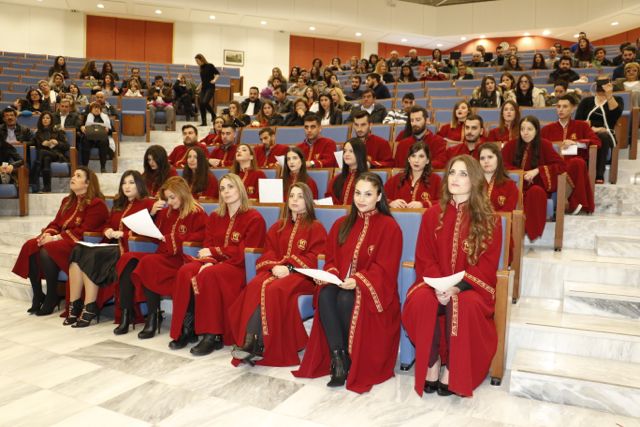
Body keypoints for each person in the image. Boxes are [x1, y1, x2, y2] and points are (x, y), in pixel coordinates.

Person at [402, 154, 503, 397]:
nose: (455, 178)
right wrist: (439, 285)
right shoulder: (431, 214)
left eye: (463, 174)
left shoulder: (490, 220)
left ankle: (453, 368)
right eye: (451, 172)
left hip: (471, 288)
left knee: (462, 304)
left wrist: (457, 286)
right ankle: (432, 362)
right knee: (419, 301)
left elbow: (487, 265)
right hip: (433, 282)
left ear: (474, 180)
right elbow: (425, 257)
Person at [293, 172, 402, 393]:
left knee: (344, 298)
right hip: (341, 283)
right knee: (325, 294)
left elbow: (385, 268)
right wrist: (329, 275)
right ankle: (339, 358)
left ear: (379, 196)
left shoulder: (389, 227)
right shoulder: (341, 224)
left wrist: (358, 280)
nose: (361, 199)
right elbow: (331, 259)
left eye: (368, 194)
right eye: (358, 193)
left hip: (374, 291)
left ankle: (351, 357)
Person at [228, 182, 328, 365]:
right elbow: (269, 251)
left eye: (300, 196)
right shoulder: (278, 226)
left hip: (303, 276)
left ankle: (259, 344)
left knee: (274, 290)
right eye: (292, 196)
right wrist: (275, 266)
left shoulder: (316, 227)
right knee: (256, 285)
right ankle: (252, 342)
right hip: (275, 271)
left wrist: (289, 268)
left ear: (308, 200)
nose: (295, 200)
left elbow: (316, 256)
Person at [167, 173, 266, 353]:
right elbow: (208, 244)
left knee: (209, 274)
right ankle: (187, 327)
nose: (226, 191)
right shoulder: (215, 216)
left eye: (230, 187)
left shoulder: (254, 218)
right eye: (222, 188)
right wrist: (209, 261)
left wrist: (214, 255)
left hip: (239, 267)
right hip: (214, 263)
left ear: (240, 189)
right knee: (185, 271)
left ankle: (213, 335)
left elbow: (244, 252)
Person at [115, 176, 207, 339]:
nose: (169, 202)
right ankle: (127, 314)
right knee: (128, 259)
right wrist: (151, 217)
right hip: (163, 255)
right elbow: (155, 233)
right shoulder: (166, 212)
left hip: (181, 258)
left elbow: (201, 236)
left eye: (172, 197)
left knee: (149, 262)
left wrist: (173, 239)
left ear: (182, 193)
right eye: (167, 198)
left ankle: (153, 316)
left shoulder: (197, 212)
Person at [12, 167, 108, 316]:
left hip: (79, 245)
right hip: (62, 241)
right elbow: (56, 223)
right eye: (73, 175)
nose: (73, 177)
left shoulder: (97, 204)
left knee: (47, 249)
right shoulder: (67, 201)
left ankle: (52, 296)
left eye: (78, 176)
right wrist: (47, 234)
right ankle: (38, 295)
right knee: (31, 245)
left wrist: (54, 238)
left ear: (88, 183)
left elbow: (83, 231)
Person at [66, 171, 154, 328]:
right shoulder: (119, 204)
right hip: (113, 246)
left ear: (139, 185)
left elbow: (148, 232)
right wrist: (107, 230)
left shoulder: (147, 204)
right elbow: (107, 223)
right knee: (78, 250)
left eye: (131, 183)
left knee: (91, 256)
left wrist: (124, 234)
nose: (127, 186)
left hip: (128, 249)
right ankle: (75, 306)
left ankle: (89, 307)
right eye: (124, 183)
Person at [502, 116, 566, 241]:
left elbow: (561, 165)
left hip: (536, 186)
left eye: (529, 129)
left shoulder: (545, 145)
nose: (525, 133)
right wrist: (520, 174)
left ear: (536, 130)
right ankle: (510, 234)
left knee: (536, 192)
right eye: (522, 129)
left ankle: (529, 232)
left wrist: (538, 170)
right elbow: (501, 164)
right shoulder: (511, 145)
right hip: (514, 186)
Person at [541, 95, 599, 214]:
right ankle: (562, 204)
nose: (561, 110)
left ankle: (573, 203)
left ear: (572, 109)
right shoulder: (547, 129)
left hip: (573, 163)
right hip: (554, 164)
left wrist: (576, 143)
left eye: (565, 106)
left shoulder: (581, 126)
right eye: (558, 107)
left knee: (578, 163)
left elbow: (597, 142)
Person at [575, 80, 623, 184]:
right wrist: (592, 128)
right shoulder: (587, 101)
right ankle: (583, 172)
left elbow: (615, 115)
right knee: (588, 138)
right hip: (586, 132)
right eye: (600, 85)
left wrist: (609, 95)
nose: (602, 87)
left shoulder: (617, 100)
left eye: (605, 84)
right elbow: (578, 121)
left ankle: (599, 174)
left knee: (603, 136)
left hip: (606, 134)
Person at [385, 142, 441, 208]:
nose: (416, 160)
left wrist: (423, 204)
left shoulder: (436, 180)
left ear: (427, 161)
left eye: (421, 156)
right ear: (409, 159)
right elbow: (379, 198)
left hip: (424, 215)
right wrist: (390, 203)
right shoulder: (396, 179)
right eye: (413, 156)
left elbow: (444, 202)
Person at [32, 112, 68, 193]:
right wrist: (42, 144)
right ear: (41, 120)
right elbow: (34, 145)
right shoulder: (38, 133)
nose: (45, 120)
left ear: (51, 120)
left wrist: (57, 143)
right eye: (43, 118)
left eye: (47, 118)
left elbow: (66, 146)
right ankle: (47, 188)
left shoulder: (57, 130)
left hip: (57, 154)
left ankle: (34, 178)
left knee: (42, 152)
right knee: (46, 159)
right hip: (45, 156)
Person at [326, 139, 368, 205]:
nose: (346, 154)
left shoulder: (368, 180)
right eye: (345, 151)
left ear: (360, 154)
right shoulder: (336, 179)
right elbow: (330, 200)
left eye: (351, 151)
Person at [479, 143, 518, 212]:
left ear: (498, 159)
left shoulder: (510, 185)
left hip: (500, 219)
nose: (486, 161)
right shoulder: (473, 183)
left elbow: (507, 212)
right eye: (482, 158)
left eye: (490, 157)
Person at [80, 101, 113, 172]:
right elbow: (81, 126)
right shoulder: (87, 116)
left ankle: (103, 167)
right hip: (90, 138)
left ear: (100, 110)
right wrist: (82, 127)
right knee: (85, 141)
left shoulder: (105, 117)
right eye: (94, 108)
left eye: (98, 108)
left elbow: (112, 130)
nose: (96, 109)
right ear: (91, 110)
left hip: (101, 138)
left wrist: (108, 130)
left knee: (104, 142)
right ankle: (85, 166)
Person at [195, 53, 220, 126]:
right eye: (196, 61)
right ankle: (204, 122)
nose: (197, 62)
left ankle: (213, 114)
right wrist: (198, 87)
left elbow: (217, 73)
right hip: (204, 88)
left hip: (210, 87)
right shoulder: (201, 68)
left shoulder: (210, 66)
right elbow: (203, 80)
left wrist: (214, 80)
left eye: (197, 61)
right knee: (201, 103)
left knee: (204, 102)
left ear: (201, 59)